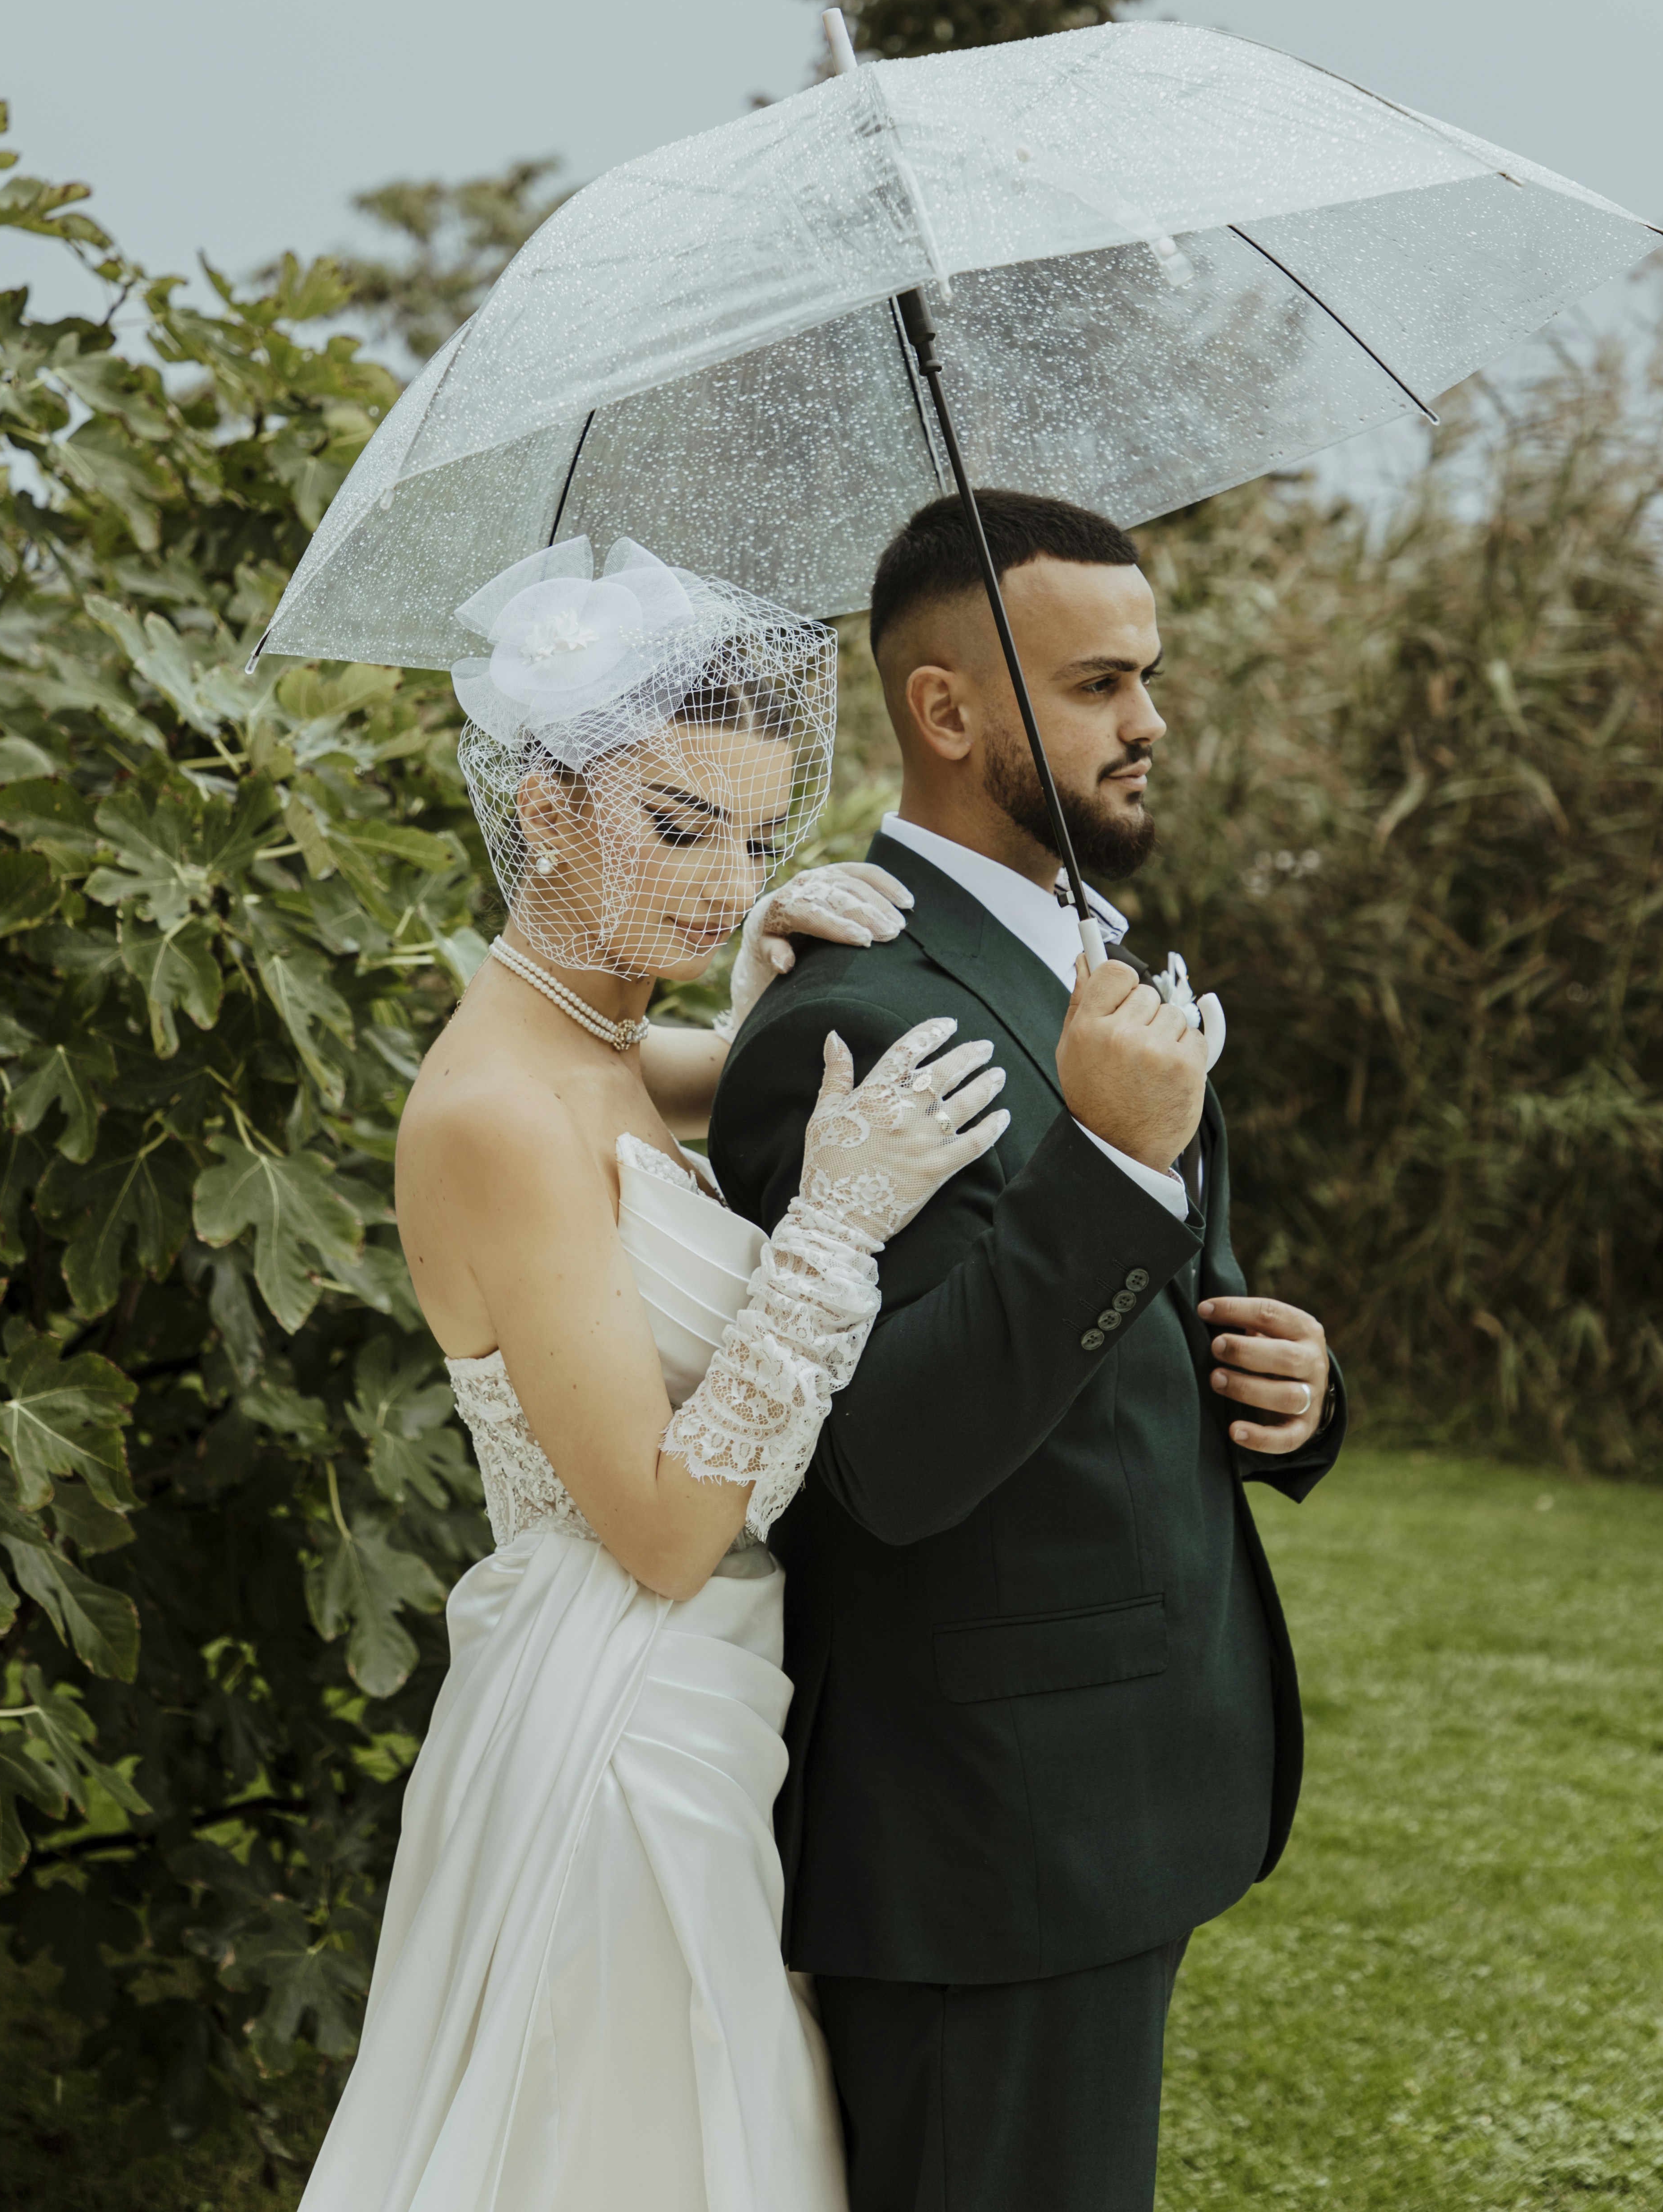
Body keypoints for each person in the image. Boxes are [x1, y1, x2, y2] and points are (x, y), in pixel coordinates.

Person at [298, 536, 1006, 2212]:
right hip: (615, 1718)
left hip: (699, 1696)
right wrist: (832, 1226)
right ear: (545, 810)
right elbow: (669, 1531)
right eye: (678, 827)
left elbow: (662, 1091)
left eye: (759, 832)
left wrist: (763, 965)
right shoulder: (495, 1117)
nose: (721, 874)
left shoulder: (595, 1046)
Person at [710, 490, 1348, 2212]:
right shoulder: (845, 1024)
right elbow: (884, 1469)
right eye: (1098, 685)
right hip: (987, 1832)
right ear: (947, 713)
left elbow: (1161, 1302)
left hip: (1129, 1779)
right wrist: (1119, 1165)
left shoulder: (1106, 961)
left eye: (1148, 677)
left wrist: (1294, 1390)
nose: (1150, 721)